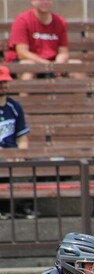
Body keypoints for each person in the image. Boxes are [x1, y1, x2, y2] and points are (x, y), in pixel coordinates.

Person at [5, 0, 83, 80]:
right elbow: (22, 53)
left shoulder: (60, 21)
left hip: (52, 61)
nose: (45, 2)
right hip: (27, 61)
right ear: (33, 1)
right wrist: (47, 65)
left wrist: (58, 64)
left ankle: (85, 92)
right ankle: (23, 92)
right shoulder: (22, 20)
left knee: (77, 65)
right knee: (29, 67)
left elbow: (63, 52)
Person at [0, 65, 34, 220]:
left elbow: (22, 137)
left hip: (13, 152)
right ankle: (4, 208)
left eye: (5, 82)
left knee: (39, 165)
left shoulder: (14, 107)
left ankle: (24, 207)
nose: (3, 85)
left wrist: (21, 153)